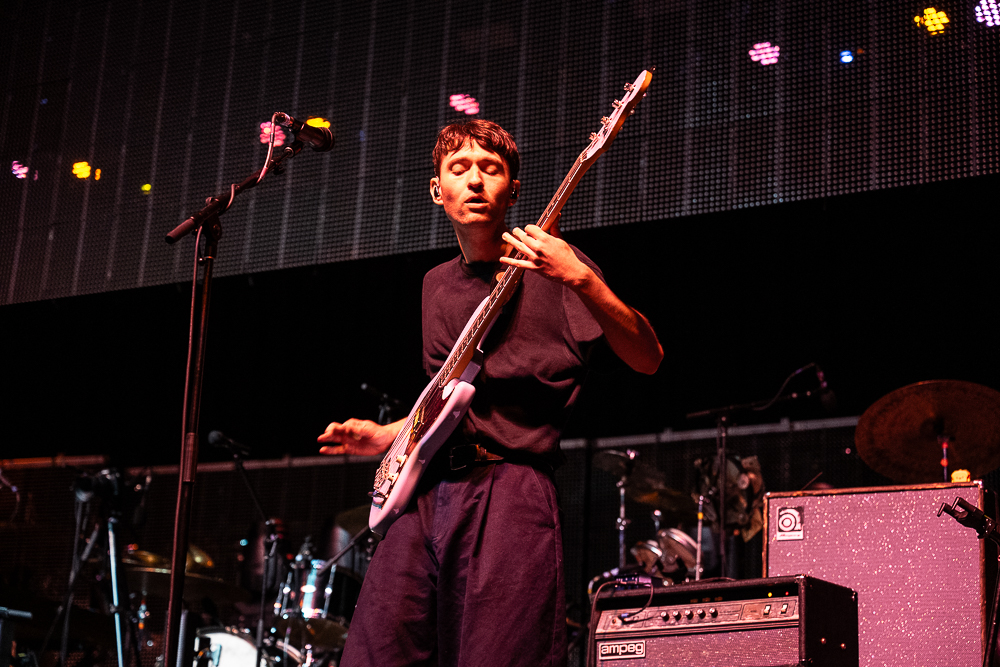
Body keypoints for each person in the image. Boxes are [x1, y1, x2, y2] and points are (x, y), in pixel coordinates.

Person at [318, 119, 662, 666]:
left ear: (514, 190)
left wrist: (581, 278)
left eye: (491, 169)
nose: (475, 180)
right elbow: (451, 400)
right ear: (438, 190)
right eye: (459, 169)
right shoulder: (435, 284)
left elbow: (648, 357)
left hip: (511, 489)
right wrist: (387, 435)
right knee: (375, 652)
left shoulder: (557, 265)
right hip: (425, 491)